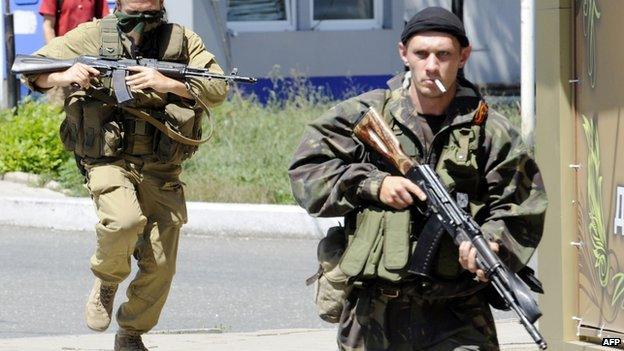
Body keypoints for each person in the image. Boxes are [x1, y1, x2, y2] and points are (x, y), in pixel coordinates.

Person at [288, 6, 547, 351]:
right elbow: (307, 172)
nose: (431, 65)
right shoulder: (366, 115)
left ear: (463, 56)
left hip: (457, 311)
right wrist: (373, 184)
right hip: (374, 312)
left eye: (444, 54)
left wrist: (493, 241)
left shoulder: (491, 131)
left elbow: (522, 203)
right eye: (421, 53)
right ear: (403, 54)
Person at [22, 0, 228, 349]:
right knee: (124, 221)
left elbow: (218, 87)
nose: (142, 21)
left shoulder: (180, 40)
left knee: (161, 265)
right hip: (108, 159)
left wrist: (168, 83)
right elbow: (31, 68)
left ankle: (131, 333)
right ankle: (107, 280)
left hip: (160, 164)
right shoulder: (92, 35)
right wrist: (65, 75)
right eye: (135, 12)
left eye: (150, 12)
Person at [40, 0, 110, 43]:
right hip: (63, 50)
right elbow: (48, 27)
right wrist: (53, 56)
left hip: (87, 49)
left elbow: (105, 21)